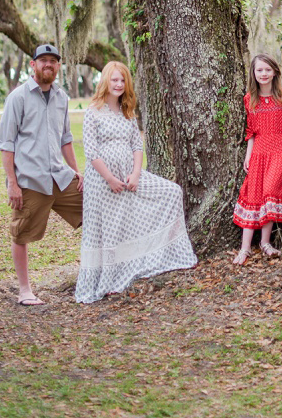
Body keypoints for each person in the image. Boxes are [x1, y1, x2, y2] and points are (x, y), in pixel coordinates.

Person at [75, 61, 197, 303]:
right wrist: (110, 178)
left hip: (129, 175)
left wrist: (136, 173)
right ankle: (108, 279)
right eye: (114, 80)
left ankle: (159, 255)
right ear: (105, 81)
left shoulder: (126, 112)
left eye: (123, 80)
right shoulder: (93, 112)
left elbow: (136, 146)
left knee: (172, 191)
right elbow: (91, 152)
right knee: (111, 229)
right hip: (103, 183)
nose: (119, 84)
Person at [0, 43, 84, 306]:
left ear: (58, 66)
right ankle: (25, 291)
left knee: (95, 209)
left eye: (53, 61)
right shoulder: (18, 98)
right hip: (31, 181)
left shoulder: (62, 98)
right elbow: (7, 142)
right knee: (21, 233)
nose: (48, 64)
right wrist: (12, 183)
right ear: (33, 65)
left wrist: (77, 172)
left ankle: (95, 274)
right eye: (43, 60)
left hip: (60, 177)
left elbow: (65, 139)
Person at [232, 54, 282, 265]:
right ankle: (245, 249)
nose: (263, 74)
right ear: (253, 74)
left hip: (279, 151)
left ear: (275, 72)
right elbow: (251, 131)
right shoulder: (249, 99)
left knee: (271, 191)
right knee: (253, 194)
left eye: (267, 70)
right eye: (259, 70)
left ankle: (265, 242)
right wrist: (248, 155)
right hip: (259, 151)